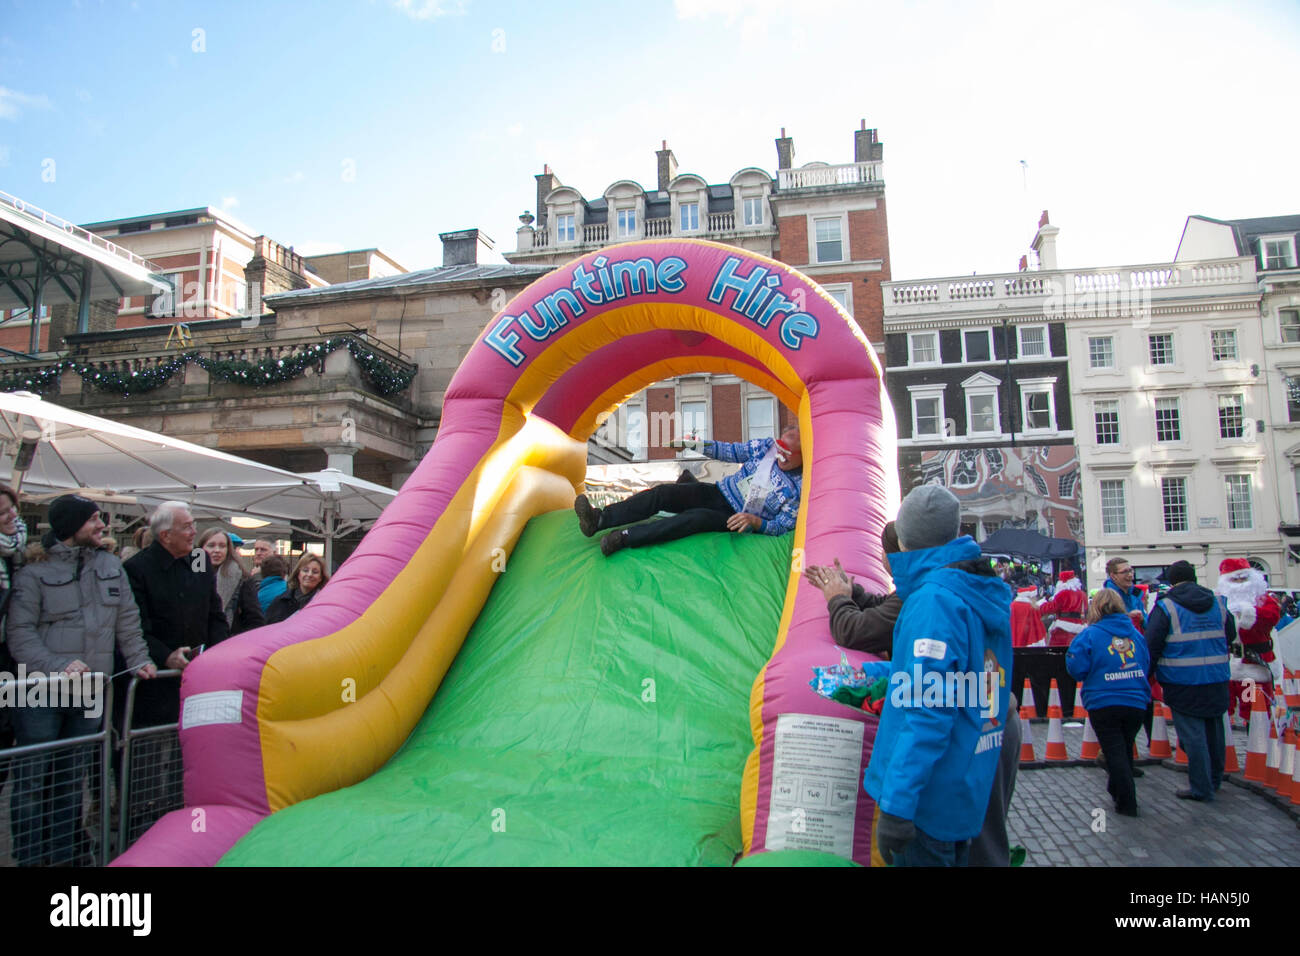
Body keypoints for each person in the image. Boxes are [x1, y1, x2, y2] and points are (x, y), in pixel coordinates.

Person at [859, 485, 1012, 867]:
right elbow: (969, 682)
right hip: (962, 788)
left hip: (926, 801)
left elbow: (927, 713)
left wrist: (897, 805)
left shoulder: (933, 603)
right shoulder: (978, 589)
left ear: (906, 538)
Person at [6, 494, 156, 865]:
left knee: (71, 783)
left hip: (90, 689)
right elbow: (20, 634)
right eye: (93, 519)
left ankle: (61, 858)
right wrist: (57, 664)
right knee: (32, 782)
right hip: (38, 689)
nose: (102, 526)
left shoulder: (109, 565)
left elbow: (127, 620)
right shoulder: (33, 573)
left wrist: (140, 660)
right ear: (72, 525)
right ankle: (28, 859)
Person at [573, 426, 802, 556]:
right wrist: (695, 444)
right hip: (720, 492)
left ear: (804, 456)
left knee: (694, 518)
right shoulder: (766, 447)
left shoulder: (799, 488)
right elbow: (731, 451)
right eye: (780, 449)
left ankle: (624, 538)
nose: (780, 457)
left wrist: (756, 522)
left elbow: (781, 525)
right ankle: (600, 519)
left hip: (735, 518)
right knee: (664, 493)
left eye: (789, 455)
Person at [123, 502, 230, 726]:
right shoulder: (136, 568)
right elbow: (135, 626)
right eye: (187, 527)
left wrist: (218, 653)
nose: (194, 533)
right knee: (152, 743)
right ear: (166, 535)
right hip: (157, 678)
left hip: (199, 674)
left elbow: (214, 612)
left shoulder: (199, 560)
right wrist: (165, 655)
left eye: (194, 525)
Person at [1144, 560, 1234, 802]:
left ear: (1171, 580)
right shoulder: (1218, 603)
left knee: (1192, 736)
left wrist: (1147, 675)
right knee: (1215, 731)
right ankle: (1215, 780)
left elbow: (1151, 644)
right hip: (1216, 677)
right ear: (1194, 577)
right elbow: (1231, 634)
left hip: (1181, 680)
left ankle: (1201, 787)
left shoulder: (1167, 607)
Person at [1066, 590, 1151, 817]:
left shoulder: (1089, 635)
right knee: (1123, 748)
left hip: (1103, 700)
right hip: (1135, 700)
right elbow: (1146, 662)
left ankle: (1127, 802)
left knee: (1114, 751)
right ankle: (1116, 789)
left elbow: (1077, 668)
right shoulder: (1135, 634)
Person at [803, 522, 902, 657]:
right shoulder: (910, 590)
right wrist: (851, 592)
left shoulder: (912, 598)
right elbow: (883, 606)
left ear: (893, 558)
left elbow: (850, 632)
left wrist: (837, 597)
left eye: (883, 550)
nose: (881, 554)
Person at [1216, 557, 1281, 722]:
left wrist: (1249, 612)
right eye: (1234, 579)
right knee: (1223, 711)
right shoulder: (1218, 601)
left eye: (1243, 578)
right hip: (1226, 665)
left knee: (1253, 711)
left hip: (1253, 665)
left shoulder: (1264, 599)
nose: (1239, 583)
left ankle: (1257, 744)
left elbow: (1272, 616)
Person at [198, 528, 265, 636]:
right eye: (211, 545)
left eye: (222, 546)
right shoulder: (190, 576)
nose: (217, 550)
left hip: (227, 641)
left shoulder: (241, 578)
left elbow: (255, 620)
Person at [266, 553, 330, 624]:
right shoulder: (280, 602)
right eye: (305, 570)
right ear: (298, 574)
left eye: (315, 572)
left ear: (321, 578)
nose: (309, 574)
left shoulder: (324, 605)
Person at [1038, 570, 1086, 647]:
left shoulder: (1063, 593)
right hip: (1080, 626)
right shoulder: (1082, 594)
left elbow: (1052, 607)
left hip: (1063, 628)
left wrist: (1040, 607)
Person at [1104, 558, 1146, 632]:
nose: (1130, 575)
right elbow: (1106, 624)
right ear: (1113, 576)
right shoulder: (1106, 598)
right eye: (1124, 572)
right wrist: (1128, 617)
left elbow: (1148, 623)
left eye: (1130, 570)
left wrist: (1142, 619)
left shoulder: (1136, 594)